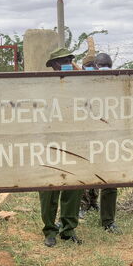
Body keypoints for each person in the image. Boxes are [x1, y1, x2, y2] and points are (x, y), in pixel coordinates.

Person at [40, 48, 83, 247]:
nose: (65, 63)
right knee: (49, 188)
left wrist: (77, 71)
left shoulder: (79, 84)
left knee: (73, 186)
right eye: (61, 61)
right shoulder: (44, 86)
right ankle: (50, 229)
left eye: (68, 60)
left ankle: (69, 228)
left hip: (74, 141)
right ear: (53, 65)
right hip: (50, 143)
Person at [79, 53, 122, 234]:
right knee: (82, 175)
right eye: (101, 65)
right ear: (94, 66)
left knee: (110, 180)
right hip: (88, 136)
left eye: (107, 65)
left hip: (110, 138)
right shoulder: (85, 84)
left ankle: (108, 220)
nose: (104, 68)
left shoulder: (118, 84)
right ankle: (81, 207)